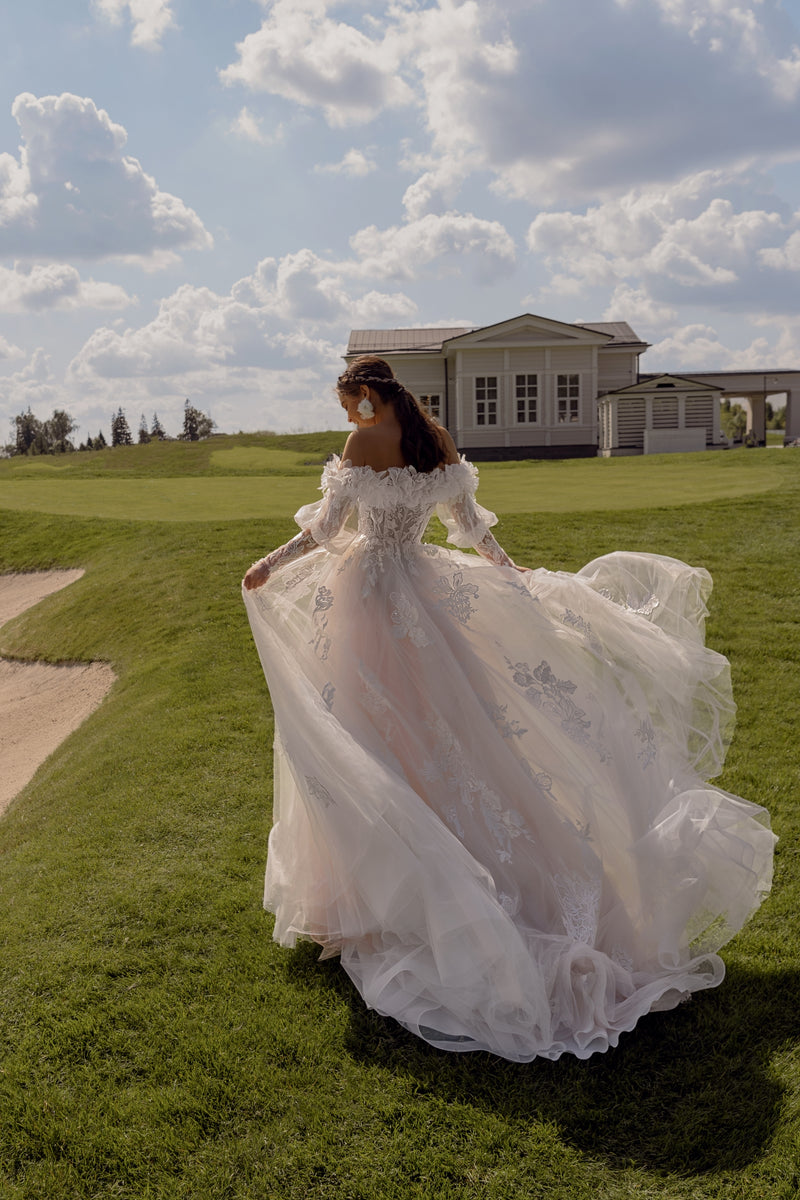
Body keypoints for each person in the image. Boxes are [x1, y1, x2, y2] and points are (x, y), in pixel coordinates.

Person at [242, 355, 775, 1062]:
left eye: (349, 403)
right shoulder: (438, 439)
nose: (347, 417)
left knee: (366, 739)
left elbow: (327, 533)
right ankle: (397, 877)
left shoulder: (362, 445)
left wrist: (269, 564)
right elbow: (470, 530)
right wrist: (511, 572)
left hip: (370, 604)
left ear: (368, 396)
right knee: (446, 733)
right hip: (426, 599)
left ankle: (377, 895)